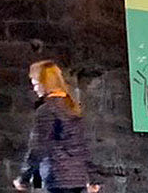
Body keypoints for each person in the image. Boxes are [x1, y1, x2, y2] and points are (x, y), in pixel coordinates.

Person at [14, 61, 98, 193]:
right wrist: (93, 177)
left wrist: (24, 177)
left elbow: (38, 146)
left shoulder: (47, 110)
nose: (35, 89)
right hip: (78, 177)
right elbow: (81, 146)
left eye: (36, 84)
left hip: (56, 177)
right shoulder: (72, 107)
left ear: (46, 84)